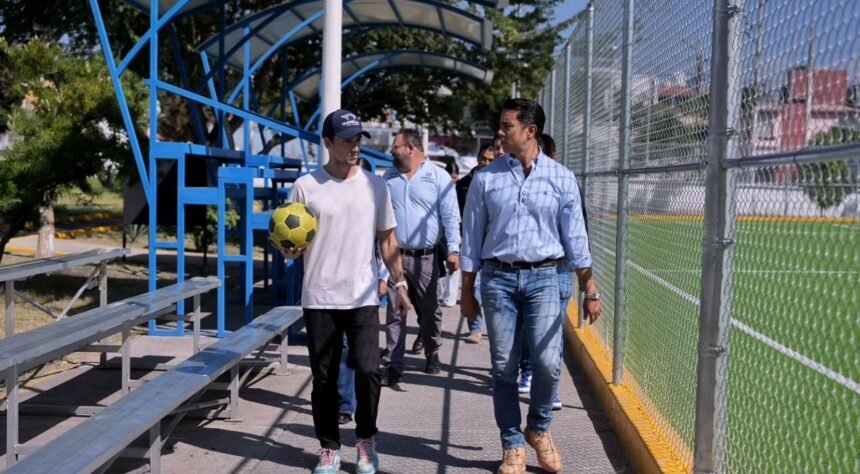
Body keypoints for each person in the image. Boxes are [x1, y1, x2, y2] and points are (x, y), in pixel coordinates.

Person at [460, 98, 601, 474]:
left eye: (507, 126)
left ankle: (538, 428)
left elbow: (576, 239)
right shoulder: (486, 179)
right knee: (503, 368)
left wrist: (590, 288)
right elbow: (471, 238)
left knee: (548, 363)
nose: (499, 133)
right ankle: (512, 445)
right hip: (498, 279)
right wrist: (466, 293)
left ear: (530, 131)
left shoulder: (562, 178)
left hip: (545, 278)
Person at [275, 109, 413, 474]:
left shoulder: (375, 186)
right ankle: (329, 447)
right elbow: (291, 237)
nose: (354, 146)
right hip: (320, 296)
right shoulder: (306, 186)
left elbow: (387, 240)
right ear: (327, 142)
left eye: (357, 140)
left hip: (363, 296)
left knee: (368, 370)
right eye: (346, 140)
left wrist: (399, 284)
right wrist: (289, 250)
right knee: (325, 378)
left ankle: (366, 440)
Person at [380, 129, 461, 386]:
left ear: (411, 148)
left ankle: (432, 349)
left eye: (396, 146)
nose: (392, 150)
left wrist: (454, 250)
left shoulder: (438, 176)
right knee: (395, 311)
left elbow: (451, 216)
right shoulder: (389, 178)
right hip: (395, 255)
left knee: (429, 309)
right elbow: (381, 222)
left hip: (426, 257)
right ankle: (394, 364)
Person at [517, 133, 586, 411]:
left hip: (559, 268)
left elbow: (580, 229)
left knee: (552, 332)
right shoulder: (520, 184)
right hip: (532, 268)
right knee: (529, 327)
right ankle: (528, 370)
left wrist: (582, 271)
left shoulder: (566, 182)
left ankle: (549, 387)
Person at [338, 158, 390, 426]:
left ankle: (362, 410)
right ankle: (345, 404)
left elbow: (387, 244)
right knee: (343, 347)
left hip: (366, 290)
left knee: (361, 353)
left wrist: (385, 278)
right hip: (336, 289)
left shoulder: (376, 203)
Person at [453, 143, 497, 343]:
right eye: (483, 159)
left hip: (493, 243)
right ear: (478, 159)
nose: (486, 163)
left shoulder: (501, 182)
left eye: (490, 160)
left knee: (492, 288)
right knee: (474, 284)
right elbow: (457, 213)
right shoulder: (464, 184)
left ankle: (494, 329)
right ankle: (475, 328)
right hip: (471, 240)